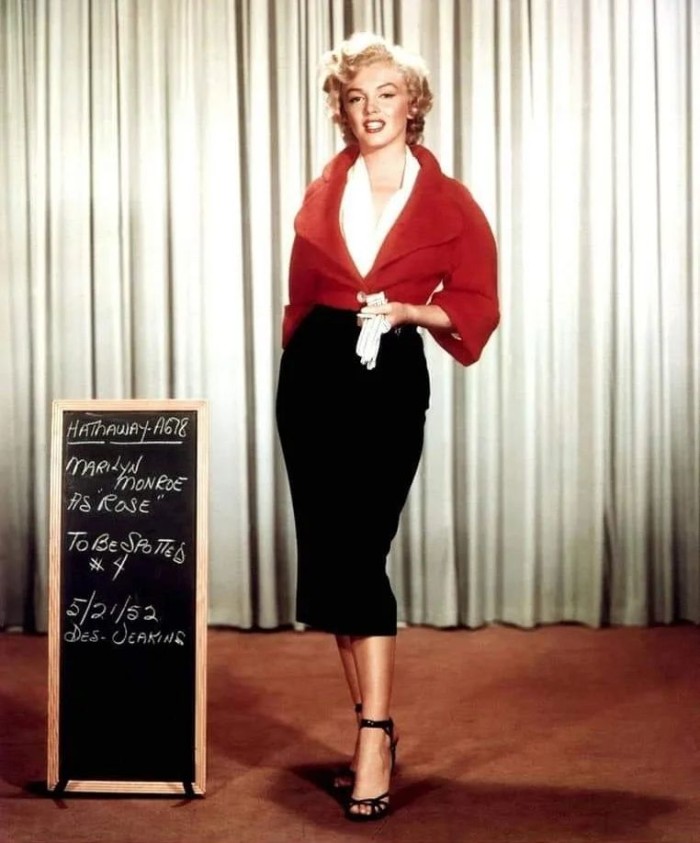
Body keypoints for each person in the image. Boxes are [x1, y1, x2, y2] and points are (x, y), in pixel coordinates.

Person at [275, 32, 499, 822]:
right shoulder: (322, 189)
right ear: (342, 110)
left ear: (414, 105)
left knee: (361, 550)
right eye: (356, 96)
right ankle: (373, 725)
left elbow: (477, 301)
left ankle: (374, 734)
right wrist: (305, 360)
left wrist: (409, 311)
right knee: (333, 557)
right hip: (314, 375)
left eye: (387, 93)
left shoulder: (450, 200)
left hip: (390, 370)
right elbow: (300, 299)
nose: (370, 108)